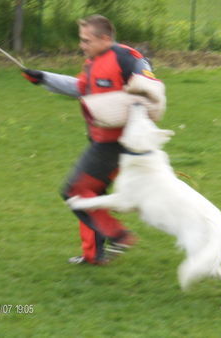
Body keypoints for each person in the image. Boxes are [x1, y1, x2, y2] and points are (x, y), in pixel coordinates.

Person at [22, 15, 158, 265]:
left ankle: (118, 235)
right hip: (101, 141)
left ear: (105, 38)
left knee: (75, 192)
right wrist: (43, 78)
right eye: (81, 40)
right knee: (91, 193)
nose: (82, 45)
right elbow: (80, 87)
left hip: (118, 145)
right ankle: (93, 255)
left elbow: (152, 90)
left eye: (87, 40)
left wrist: (135, 110)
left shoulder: (128, 58)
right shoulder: (93, 62)